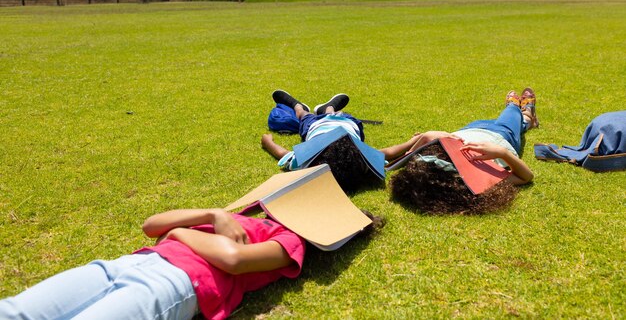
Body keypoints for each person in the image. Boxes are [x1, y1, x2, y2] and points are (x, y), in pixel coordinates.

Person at [0, 207, 383, 320]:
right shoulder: (248, 216)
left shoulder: (291, 242)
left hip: (177, 284)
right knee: (15, 311)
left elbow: (232, 259)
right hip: (127, 264)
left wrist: (182, 235)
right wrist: (214, 212)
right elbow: (150, 225)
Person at [389, 88, 539, 214]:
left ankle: (527, 121)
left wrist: (417, 141)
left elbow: (400, 155)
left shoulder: (424, 169)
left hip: (469, 129)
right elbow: (526, 177)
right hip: (502, 135)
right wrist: (501, 152)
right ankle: (525, 113)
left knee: (513, 121)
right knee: (512, 113)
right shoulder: (475, 181)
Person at [261, 90, 421, 193]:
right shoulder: (361, 162)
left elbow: (282, 154)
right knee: (338, 113)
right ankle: (328, 108)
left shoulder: (309, 162)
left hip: (315, 126)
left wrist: (268, 142)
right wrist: (412, 142)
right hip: (347, 123)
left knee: (303, 116)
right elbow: (387, 153)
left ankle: (298, 106)